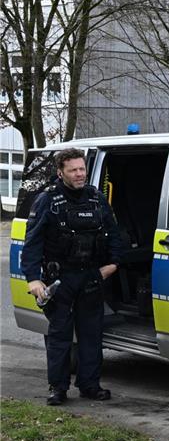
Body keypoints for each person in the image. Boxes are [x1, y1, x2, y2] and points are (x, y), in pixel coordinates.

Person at [23, 148, 124, 405]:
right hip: (61, 279)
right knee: (60, 336)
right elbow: (32, 242)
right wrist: (34, 279)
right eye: (74, 170)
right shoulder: (48, 200)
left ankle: (90, 385)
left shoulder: (96, 198)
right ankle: (58, 388)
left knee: (92, 335)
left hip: (91, 276)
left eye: (82, 169)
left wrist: (112, 263)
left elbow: (113, 233)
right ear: (61, 172)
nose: (80, 174)